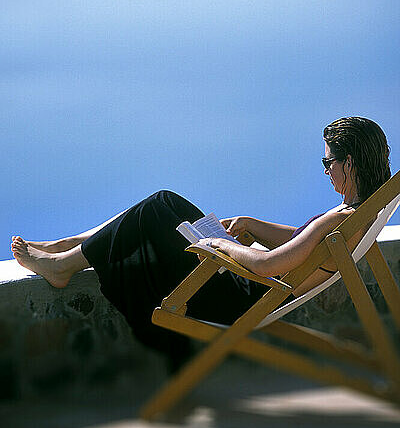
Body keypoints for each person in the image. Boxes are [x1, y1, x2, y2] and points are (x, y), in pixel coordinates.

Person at [10, 116, 391, 369]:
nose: (325, 170)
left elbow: (266, 266)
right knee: (166, 204)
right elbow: (302, 245)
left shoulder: (341, 219)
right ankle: (74, 247)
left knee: (158, 207)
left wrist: (219, 246)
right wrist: (252, 225)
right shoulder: (362, 213)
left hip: (244, 293)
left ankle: (64, 263)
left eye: (329, 163)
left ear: (351, 161)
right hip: (255, 285)